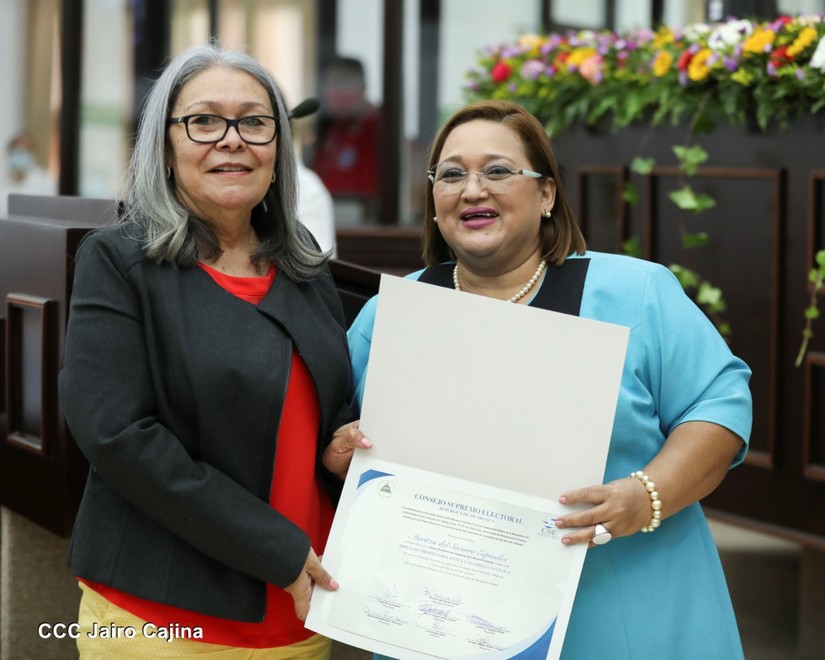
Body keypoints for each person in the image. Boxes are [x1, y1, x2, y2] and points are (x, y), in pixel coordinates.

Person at [346, 100, 752, 659]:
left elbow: (719, 406)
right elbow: (349, 441)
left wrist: (646, 496)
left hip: (625, 610)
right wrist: (342, 451)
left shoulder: (634, 294)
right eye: (452, 174)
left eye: (497, 170)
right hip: (443, 621)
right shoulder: (391, 316)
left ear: (546, 195)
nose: (473, 190)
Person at [58, 44, 368, 659]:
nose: (232, 140)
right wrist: (275, 548)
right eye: (204, 121)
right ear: (164, 145)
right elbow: (117, 435)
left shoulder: (302, 262)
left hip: (301, 617)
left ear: (278, 147)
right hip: (162, 623)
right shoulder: (119, 261)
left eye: (254, 122)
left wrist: (336, 446)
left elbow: (320, 403)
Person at [312, 56, 380, 201]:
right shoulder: (333, 131)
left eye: (343, 83)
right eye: (330, 83)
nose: (333, 92)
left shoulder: (376, 128)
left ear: (363, 87)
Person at [0, 131, 57, 218]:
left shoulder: (46, 181)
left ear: (33, 154)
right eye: (16, 152)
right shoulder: (3, 181)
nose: (19, 156)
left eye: (23, 153)